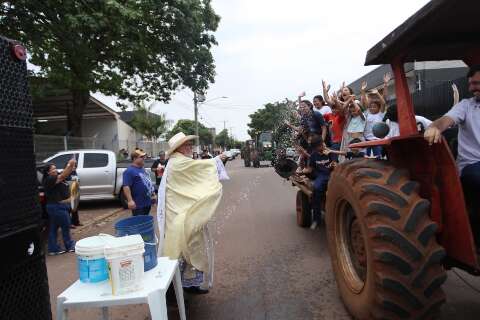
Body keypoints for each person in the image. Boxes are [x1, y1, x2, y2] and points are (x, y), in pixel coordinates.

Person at [157, 132, 229, 293]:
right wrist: (218, 160)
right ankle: (173, 288)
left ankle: (190, 284)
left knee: (191, 245)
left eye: (190, 144)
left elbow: (193, 178)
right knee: (183, 248)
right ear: (179, 148)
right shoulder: (178, 162)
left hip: (182, 213)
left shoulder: (179, 161)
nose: (190, 147)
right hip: (178, 214)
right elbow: (201, 168)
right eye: (186, 145)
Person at [424, 65, 480, 222]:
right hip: (472, 165)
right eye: (470, 84)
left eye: (476, 83)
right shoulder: (466, 106)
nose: (471, 88)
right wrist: (434, 127)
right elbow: (445, 120)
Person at [42, 159, 77, 255]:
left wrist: (71, 167)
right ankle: (70, 246)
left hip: (55, 207)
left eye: (55, 168)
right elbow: (63, 176)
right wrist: (70, 164)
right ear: (48, 172)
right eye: (53, 169)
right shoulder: (50, 179)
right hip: (57, 207)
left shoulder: (53, 177)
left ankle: (53, 249)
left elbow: (65, 173)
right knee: (65, 226)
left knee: (53, 228)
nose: (55, 170)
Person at [301, 136, 335, 230]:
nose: (323, 146)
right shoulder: (313, 156)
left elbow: (335, 164)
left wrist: (334, 164)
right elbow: (310, 169)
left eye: (323, 144)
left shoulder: (330, 152)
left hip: (332, 174)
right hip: (321, 175)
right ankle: (317, 219)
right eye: (320, 145)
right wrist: (303, 171)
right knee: (316, 190)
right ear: (316, 147)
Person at [122, 149, 155, 216]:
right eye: (141, 157)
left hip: (147, 203)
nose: (144, 158)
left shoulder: (142, 169)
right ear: (134, 159)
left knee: (145, 221)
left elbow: (148, 182)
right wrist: (130, 201)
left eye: (144, 157)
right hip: (138, 205)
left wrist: (153, 194)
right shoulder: (129, 171)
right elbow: (126, 186)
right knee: (139, 223)